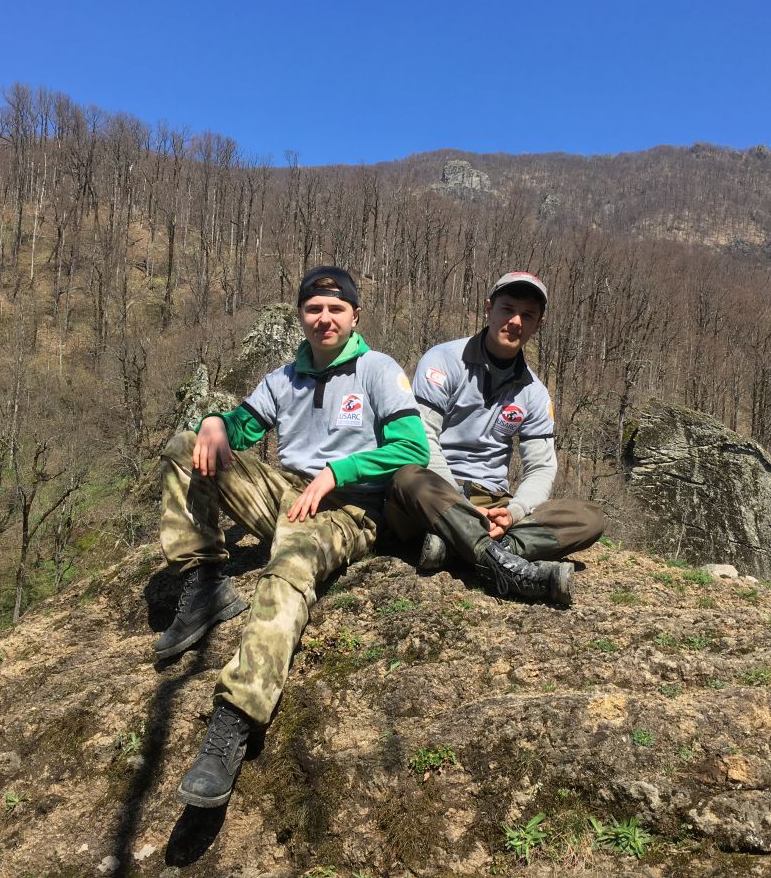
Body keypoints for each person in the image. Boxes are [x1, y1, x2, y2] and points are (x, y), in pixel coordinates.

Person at [155, 265, 429, 808]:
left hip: (349, 508)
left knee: (287, 567)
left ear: (355, 316)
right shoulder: (284, 378)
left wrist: (338, 473)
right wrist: (214, 421)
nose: (324, 318)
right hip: (286, 490)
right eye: (314, 308)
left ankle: (233, 721)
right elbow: (241, 428)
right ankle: (204, 582)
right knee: (186, 446)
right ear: (301, 316)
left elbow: (412, 447)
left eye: (336, 309)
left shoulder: (377, 370)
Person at [387, 271, 605, 603]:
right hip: (437, 496)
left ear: (538, 325)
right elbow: (422, 439)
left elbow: (541, 467)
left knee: (589, 518)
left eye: (527, 315)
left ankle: (461, 548)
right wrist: (460, 506)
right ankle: (506, 563)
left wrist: (513, 512)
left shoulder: (534, 393)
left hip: (492, 503)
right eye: (508, 309)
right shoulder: (443, 360)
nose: (515, 321)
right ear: (489, 309)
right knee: (405, 477)